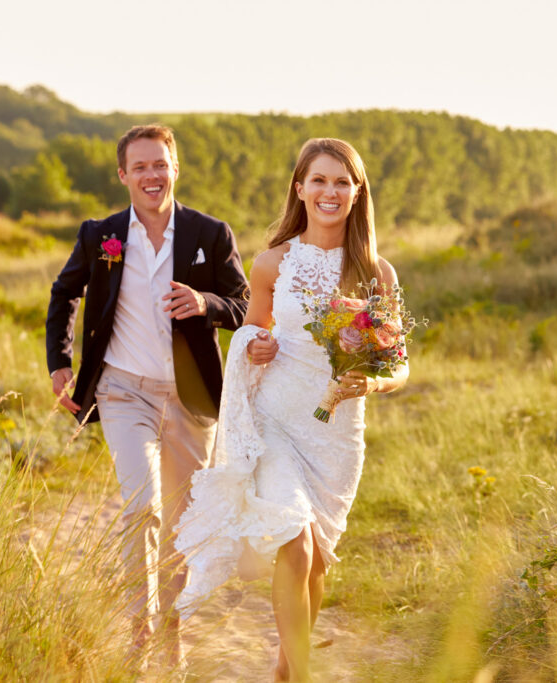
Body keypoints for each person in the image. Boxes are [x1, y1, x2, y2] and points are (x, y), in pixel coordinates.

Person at [175, 138, 409, 682]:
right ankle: (303, 677)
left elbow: (398, 367)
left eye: (341, 182)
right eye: (319, 180)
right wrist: (255, 347)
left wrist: (369, 387)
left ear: (357, 193)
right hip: (276, 417)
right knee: (295, 538)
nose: (330, 191)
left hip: (336, 432)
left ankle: (284, 669)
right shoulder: (272, 263)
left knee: (319, 557)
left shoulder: (377, 273)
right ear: (300, 189)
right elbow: (255, 332)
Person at [44, 124, 249, 669]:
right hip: (122, 391)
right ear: (123, 175)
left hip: (192, 397)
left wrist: (205, 302)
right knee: (142, 506)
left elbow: (244, 306)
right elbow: (64, 293)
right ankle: (142, 623)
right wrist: (59, 363)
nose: (152, 175)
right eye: (140, 167)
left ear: (175, 167)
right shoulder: (101, 236)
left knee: (184, 518)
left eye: (160, 164)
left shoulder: (211, 233)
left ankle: (174, 626)